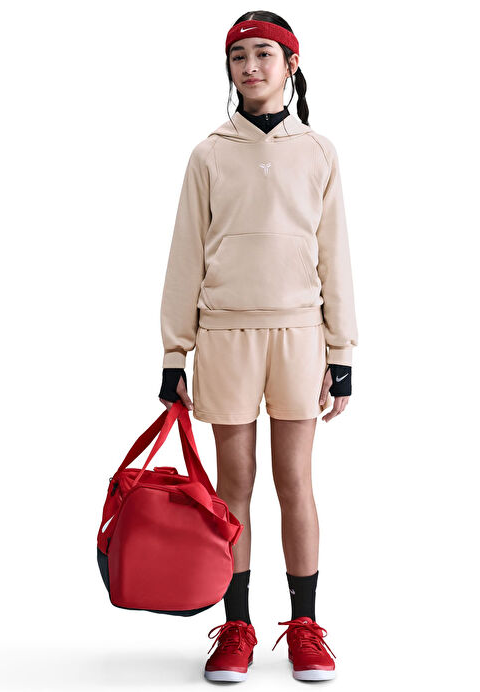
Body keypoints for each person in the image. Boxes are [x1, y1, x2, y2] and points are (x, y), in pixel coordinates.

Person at [158, 10, 358, 683]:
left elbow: (335, 256)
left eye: (264, 53)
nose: (250, 66)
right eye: (238, 56)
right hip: (225, 336)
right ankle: (237, 626)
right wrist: (174, 353)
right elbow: (185, 258)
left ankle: (305, 626)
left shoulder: (319, 152)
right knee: (234, 484)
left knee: (294, 481)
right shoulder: (209, 154)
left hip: (299, 335)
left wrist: (341, 351)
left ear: (291, 64)